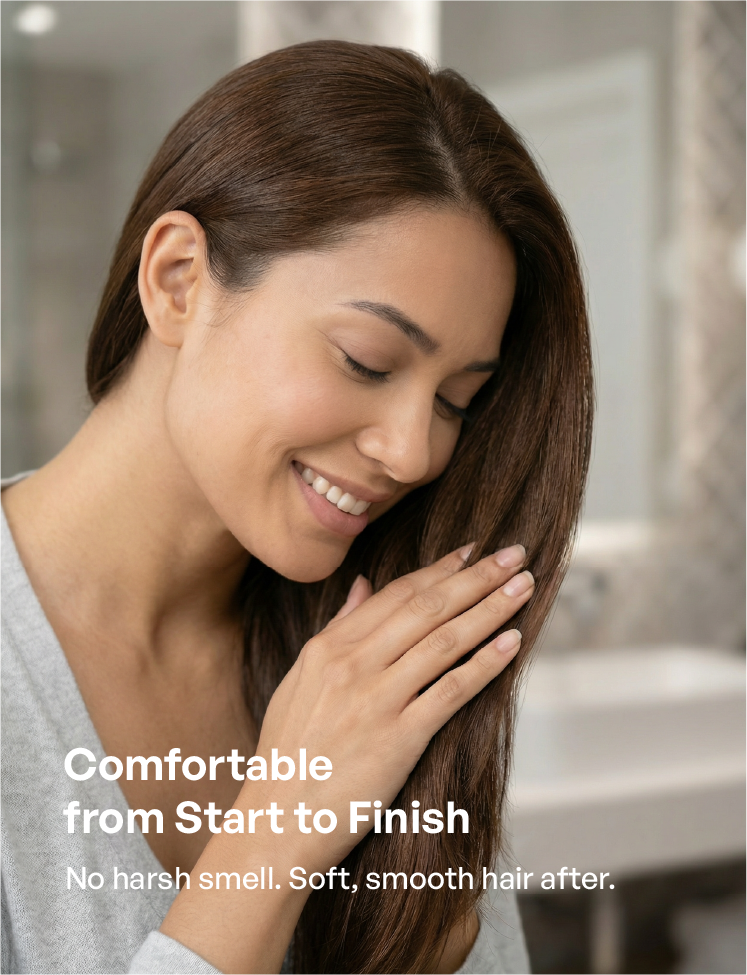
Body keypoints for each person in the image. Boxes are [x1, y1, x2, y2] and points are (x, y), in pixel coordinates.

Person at [0, 40, 592, 975]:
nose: (414, 451)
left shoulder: (372, 674)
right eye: (366, 359)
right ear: (178, 280)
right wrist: (280, 832)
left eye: (455, 401)